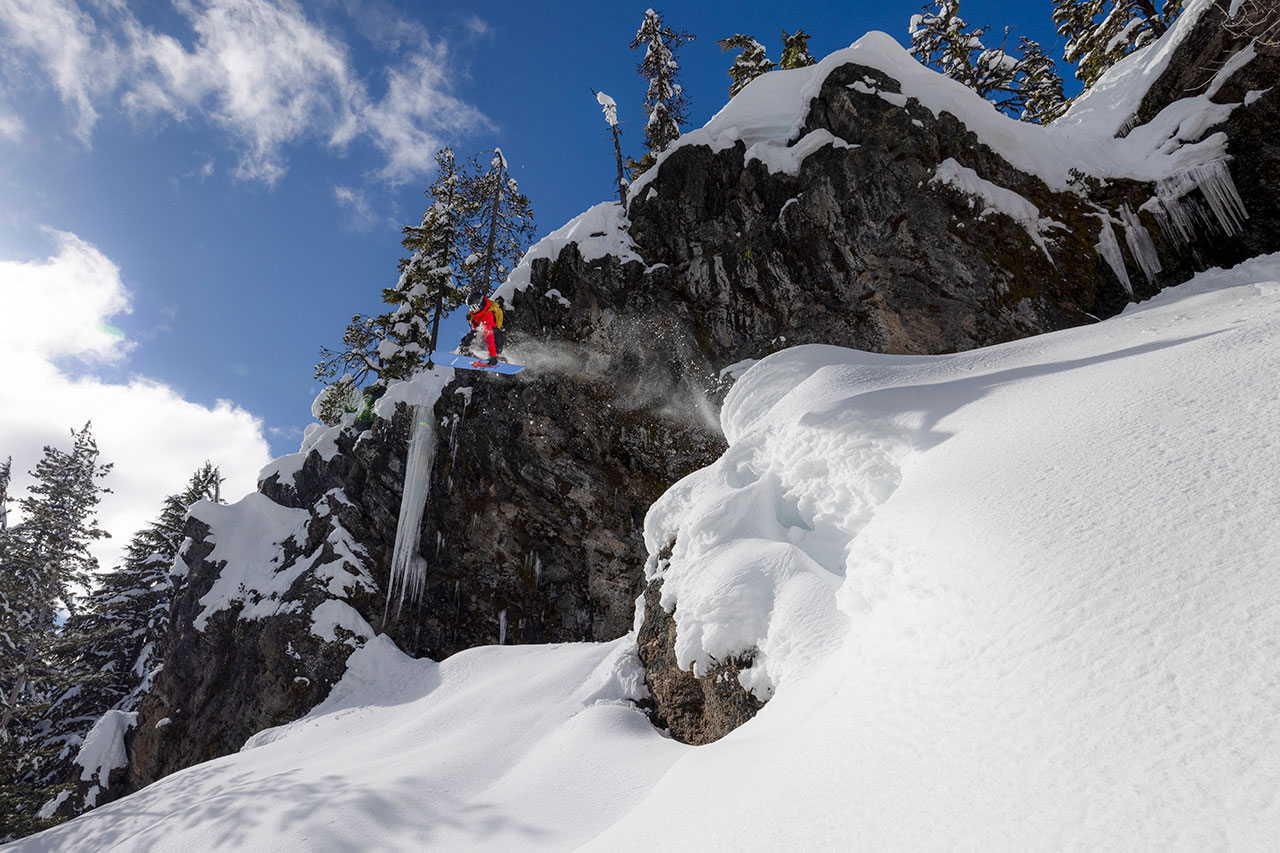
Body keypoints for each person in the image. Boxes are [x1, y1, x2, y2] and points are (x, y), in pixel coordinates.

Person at [465, 289, 504, 366]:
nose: (472, 310)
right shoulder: (476, 312)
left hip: (494, 335)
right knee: (472, 334)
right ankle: (465, 349)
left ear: (480, 304)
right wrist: (471, 320)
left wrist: (493, 355)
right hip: (484, 335)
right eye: (470, 308)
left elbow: (489, 336)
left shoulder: (487, 316)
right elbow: (475, 328)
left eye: (474, 307)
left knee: (492, 334)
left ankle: (496, 356)